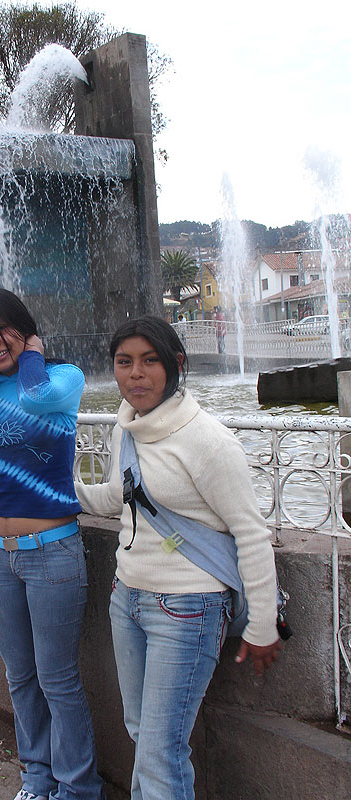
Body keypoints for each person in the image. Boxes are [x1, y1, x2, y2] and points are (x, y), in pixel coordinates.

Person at [75, 315, 281, 800]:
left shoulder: (207, 440)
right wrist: (64, 494)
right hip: (127, 598)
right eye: (124, 362)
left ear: (176, 364)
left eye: (149, 361)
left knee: (160, 751)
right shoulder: (128, 428)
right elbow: (120, 496)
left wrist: (262, 624)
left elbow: (252, 534)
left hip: (188, 607)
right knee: (141, 732)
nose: (135, 373)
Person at [0, 288, 105, 800]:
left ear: (25, 327)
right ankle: (36, 779)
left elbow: (37, 397)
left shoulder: (64, 378)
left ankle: (79, 789)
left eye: (2, 329)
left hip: (52, 551)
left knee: (57, 679)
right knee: (20, 676)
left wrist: (34, 352)